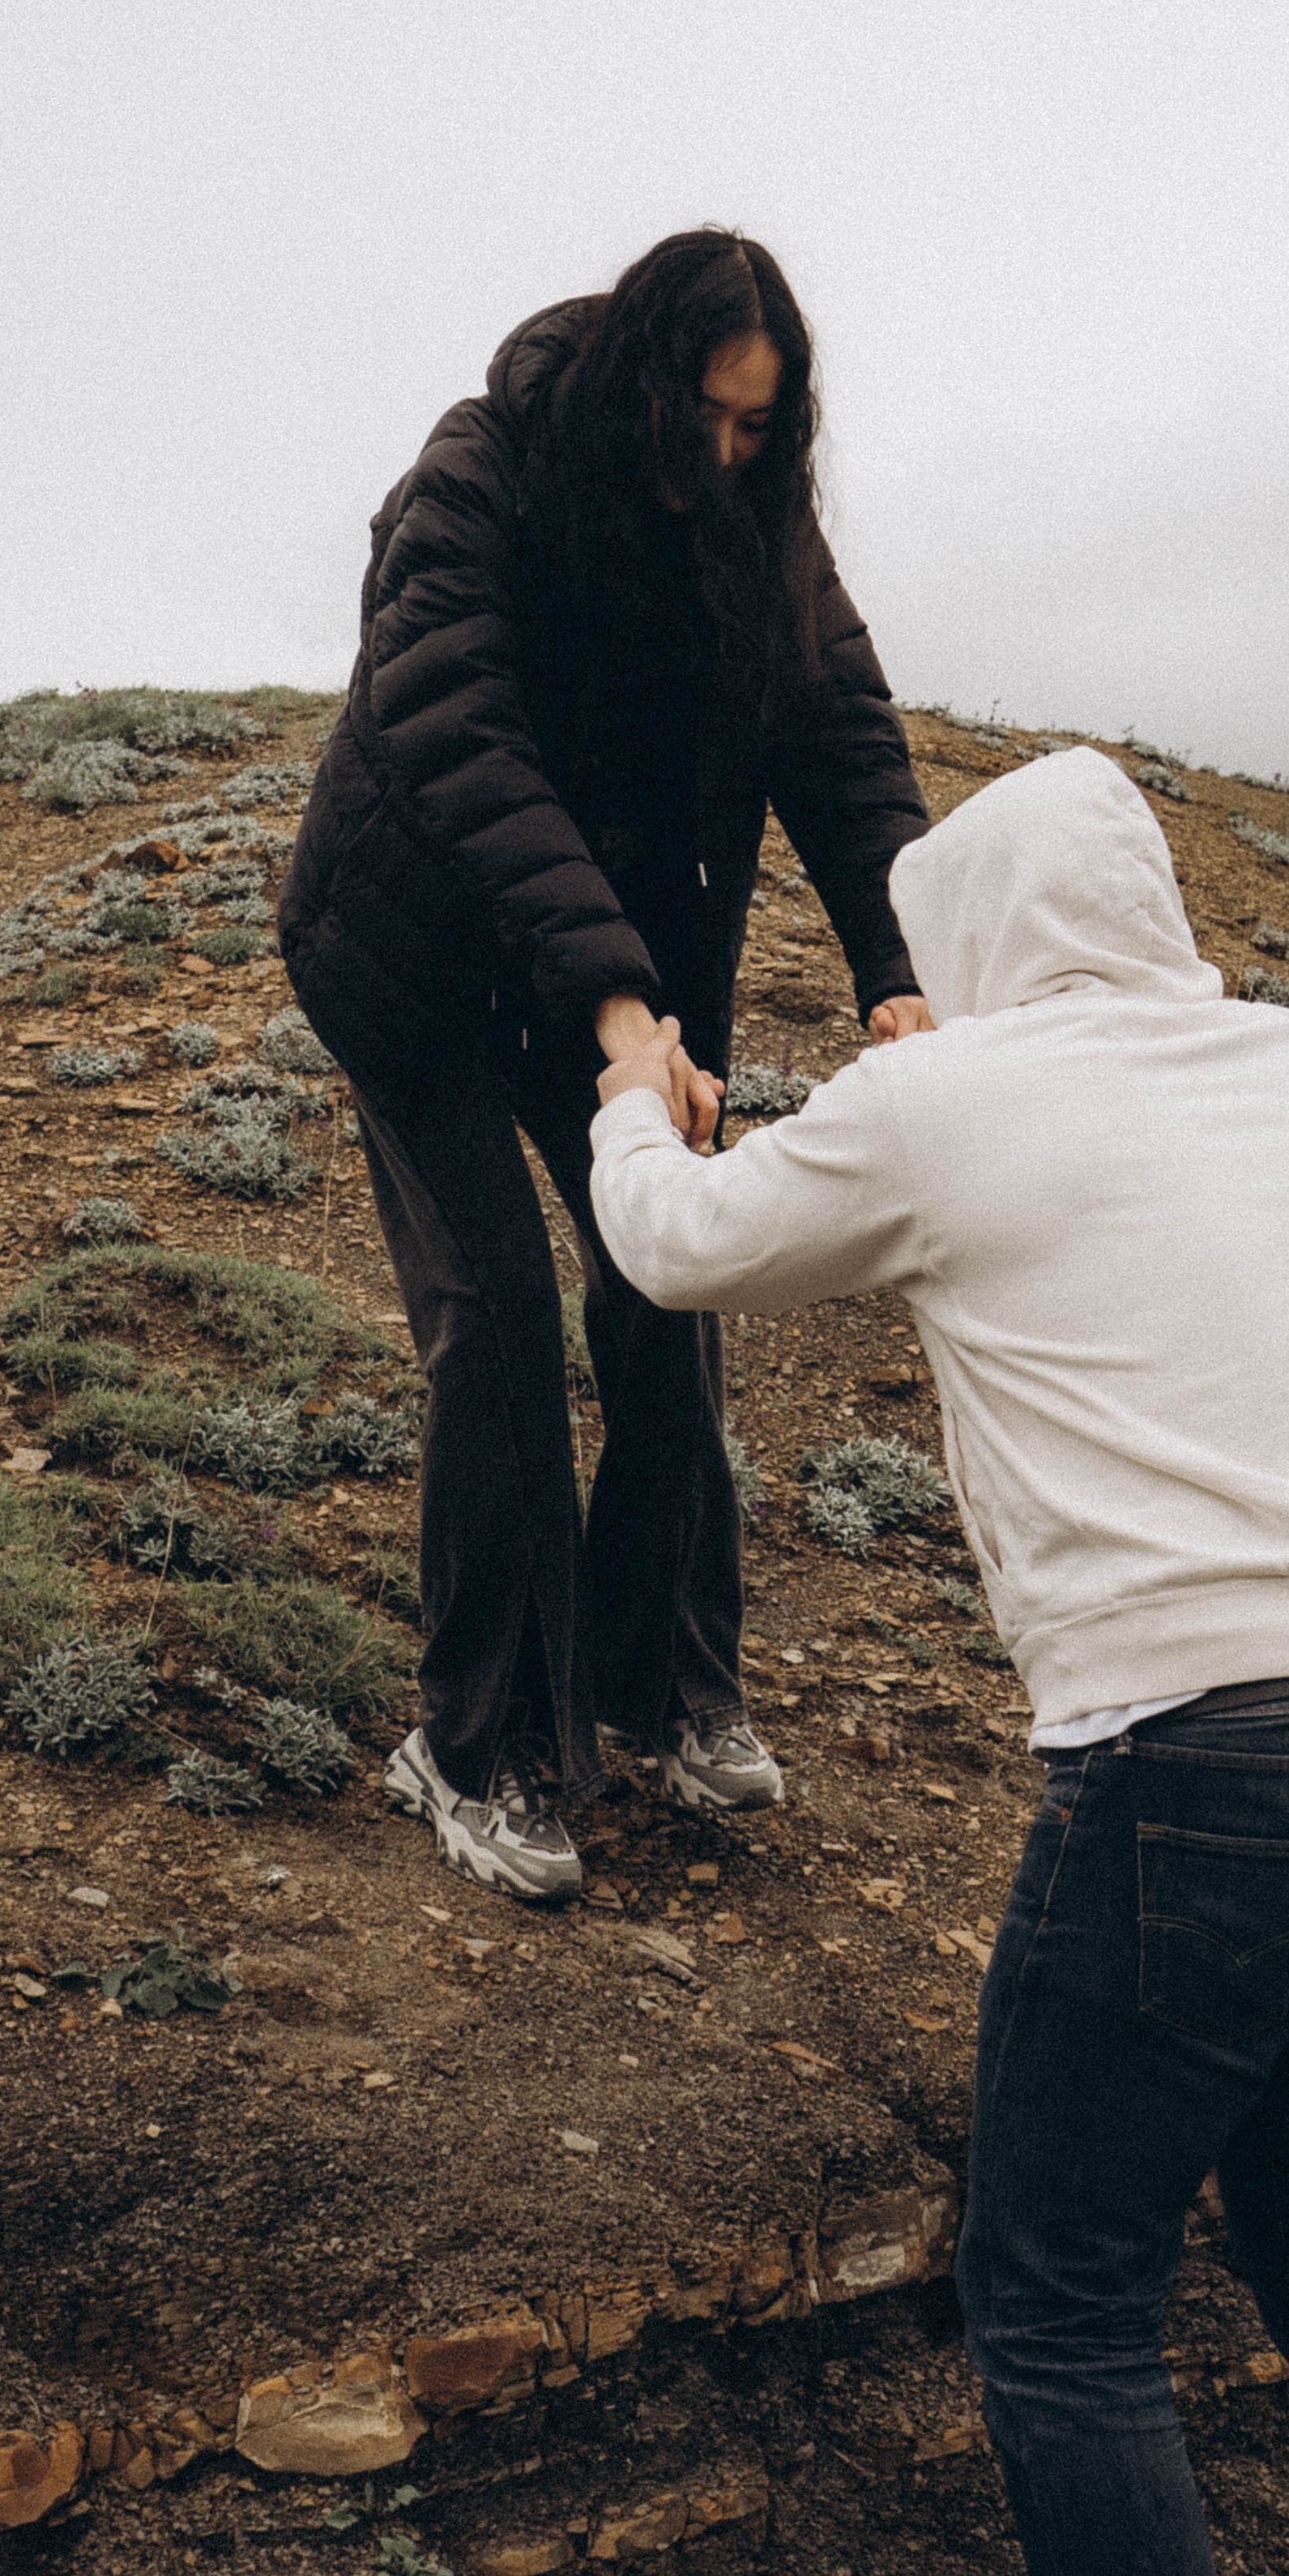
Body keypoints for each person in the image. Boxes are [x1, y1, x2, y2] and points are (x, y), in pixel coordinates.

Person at [588, 745, 1289, 2576]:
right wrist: (941, 1056)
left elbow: (676, 1247)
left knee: (1057, 2305)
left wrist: (639, 1100)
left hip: (1191, 1766)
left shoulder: (946, 1099)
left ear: (968, 940)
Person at [276, 229, 930, 1905]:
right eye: (707, 421)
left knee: (666, 1294)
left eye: (756, 432)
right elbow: (460, 740)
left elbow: (839, 735)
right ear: (643, 380)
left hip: (613, 980)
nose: (726, 457)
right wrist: (620, 1013)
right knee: (491, 1322)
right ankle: (476, 1742)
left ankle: (658, 1685)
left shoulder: (753, 522)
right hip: (415, 962)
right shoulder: (480, 475)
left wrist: (898, 972)